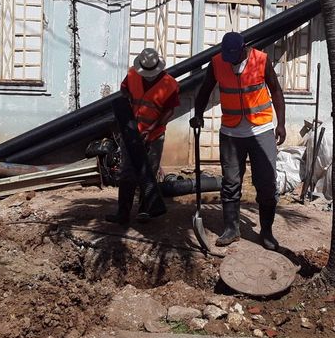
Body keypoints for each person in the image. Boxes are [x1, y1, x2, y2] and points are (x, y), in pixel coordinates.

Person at [189, 32, 286, 250]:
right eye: (227, 56)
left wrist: (281, 124)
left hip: (260, 129)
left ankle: (267, 232)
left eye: (234, 55)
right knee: (231, 183)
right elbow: (204, 90)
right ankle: (231, 229)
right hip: (231, 132)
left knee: (266, 183)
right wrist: (198, 114)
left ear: (244, 48)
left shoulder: (261, 60)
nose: (230, 60)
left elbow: (276, 91)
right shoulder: (217, 62)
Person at [106, 48, 179, 225]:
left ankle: (145, 211)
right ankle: (123, 213)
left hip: (154, 135)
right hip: (131, 132)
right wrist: (127, 111)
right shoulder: (132, 75)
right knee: (127, 173)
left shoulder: (170, 84)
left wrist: (151, 129)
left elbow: (169, 111)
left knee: (149, 173)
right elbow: (124, 91)